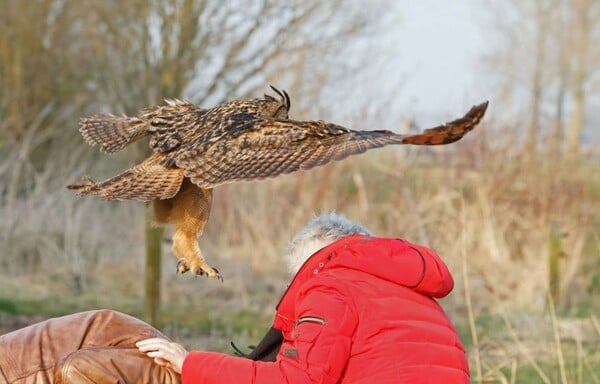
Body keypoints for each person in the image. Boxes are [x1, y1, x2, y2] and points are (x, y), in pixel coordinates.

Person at [0, 213, 469, 383]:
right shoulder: (414, 295)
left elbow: (299, 382)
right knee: (108, 328)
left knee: (117, 353)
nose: (296, 289)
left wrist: (191, 362)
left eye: (296, 276)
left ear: (315, 256)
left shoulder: (332, 281)